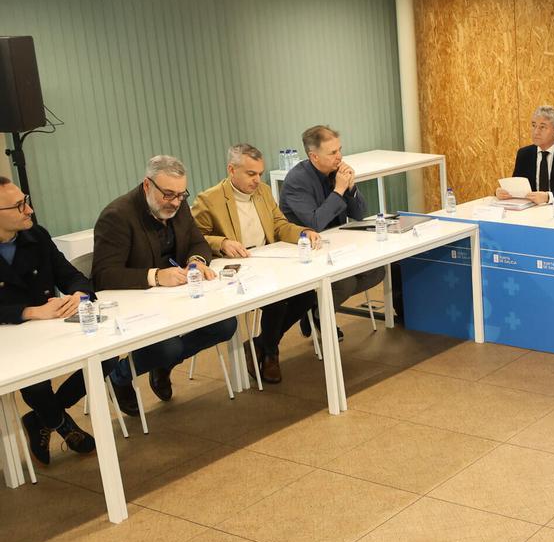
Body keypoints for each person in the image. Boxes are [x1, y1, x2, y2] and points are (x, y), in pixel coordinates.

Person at [91, 155, 238, 416]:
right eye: (168, 195)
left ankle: (163, 364)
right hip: (138, 304)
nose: (175, 202)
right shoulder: (117, 216)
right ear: (147, 185)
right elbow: (104, 275)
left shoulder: (178, 207)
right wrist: (155, 276)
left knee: (226, 325)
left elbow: (198, 242)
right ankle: (120, 376)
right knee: (168, 346)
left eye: (181, 195)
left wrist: (196, 261)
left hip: (177, 298)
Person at [0, 178, 111, 463]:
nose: (30, 209)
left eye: (25, 200)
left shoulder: (36, 235)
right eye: (19, 205)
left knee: (107, 356)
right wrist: (28, 312)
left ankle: (42, 419)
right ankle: (63, 425)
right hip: (11, 340)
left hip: (53, 326)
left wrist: (78, 294)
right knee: (35, 382)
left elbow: (70, 274)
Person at [193, 143, 322, 384]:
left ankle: (261, 344)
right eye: (251, 174)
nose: (257, 180)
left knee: (307, 293)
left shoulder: (262, 192)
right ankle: (271, 354)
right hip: (238, 272)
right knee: (278, 299)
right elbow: (193, 239)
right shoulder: (209, 199)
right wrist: (221, 242)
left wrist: (304, 232)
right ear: (232, 170)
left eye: (260, 174)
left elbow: (279, 225)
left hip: (267, 263)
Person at [280, 125, 385, 310]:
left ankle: (318, 307)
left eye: (340, 150)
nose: (340, 157)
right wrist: (339, 190)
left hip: (338, 244)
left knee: (377, 271)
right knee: (345, 284)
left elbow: (359, 215)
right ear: (314, 156)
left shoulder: (336, 172)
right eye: (333, 152)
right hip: (309, 250)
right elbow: (315, 223)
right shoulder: (297, 180)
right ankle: (318, 315)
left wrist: (351, 188)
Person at [497, 106, 554, 205]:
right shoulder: (524, 154)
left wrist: (548, 197)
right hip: (532, 211)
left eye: (542, 127)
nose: (536, 132)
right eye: (534, 125)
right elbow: (516, 186)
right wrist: (503, 193)